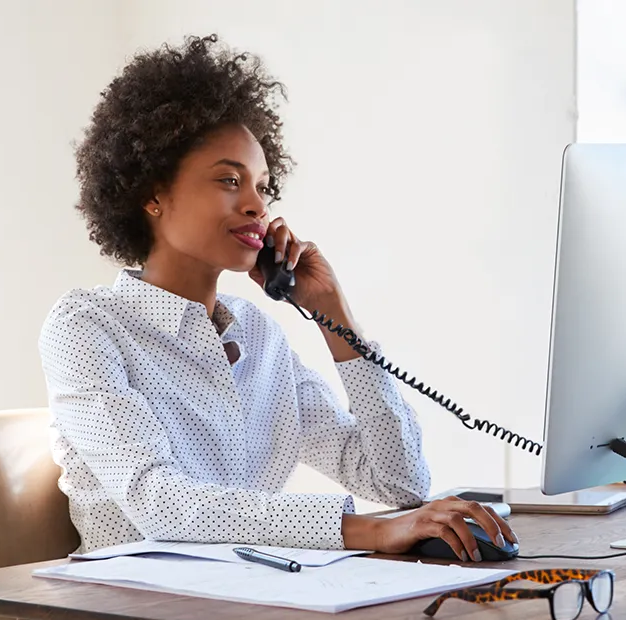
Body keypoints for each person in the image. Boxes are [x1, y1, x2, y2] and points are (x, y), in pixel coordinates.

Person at [38, 34, 516, 563]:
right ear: (153, 194)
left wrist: (337, 321)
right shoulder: (86, 326)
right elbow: (162, 505)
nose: (255, 206)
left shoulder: (256, 334)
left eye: (262, 186)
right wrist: (368, 531)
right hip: (136, 609)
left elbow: (400, 484)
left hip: (255, 598)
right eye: (229, 180)